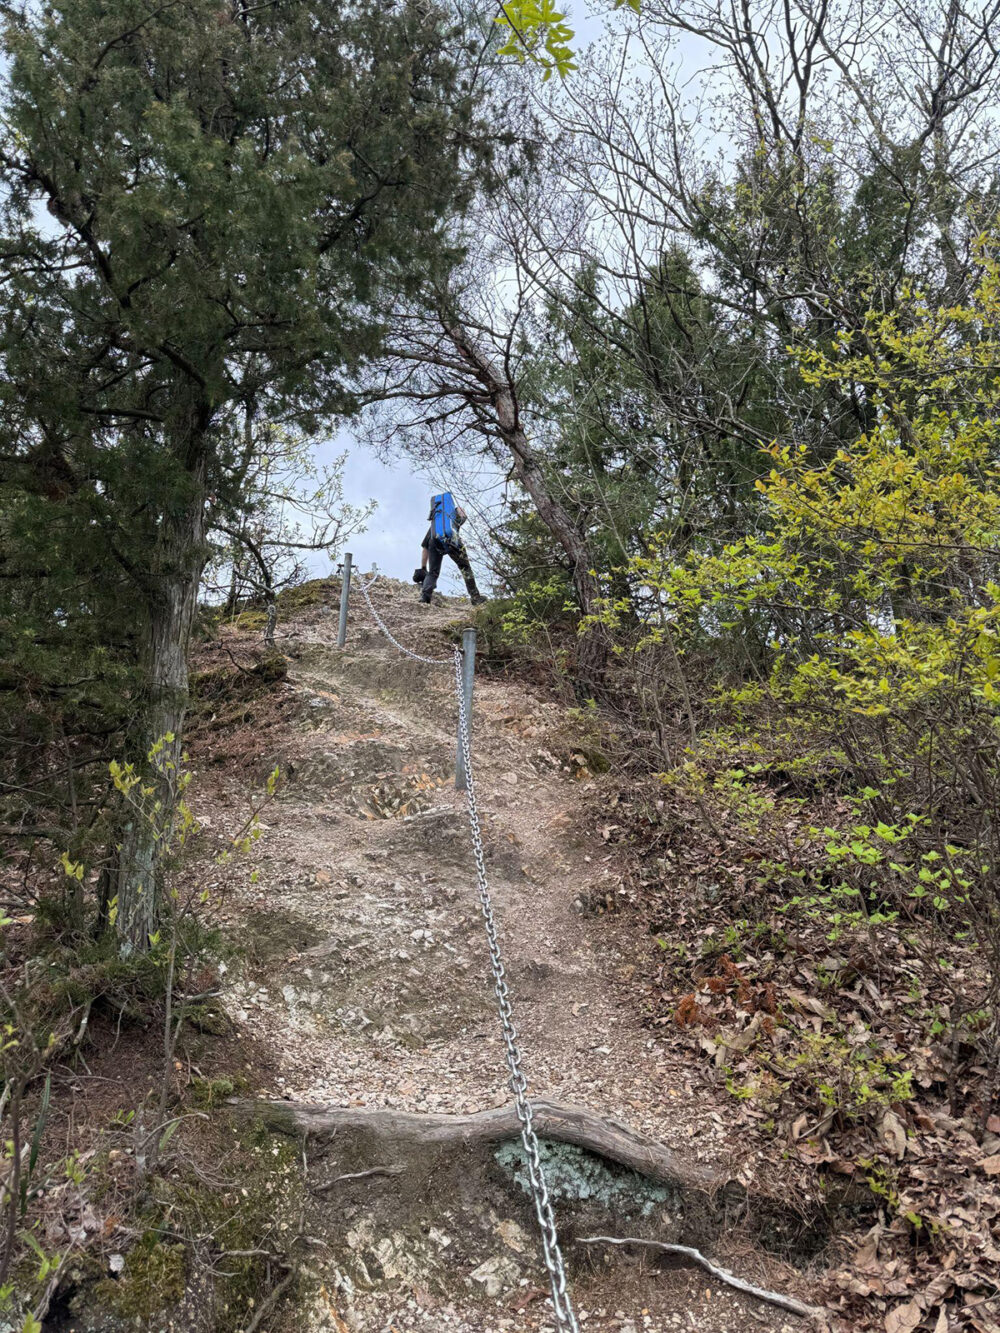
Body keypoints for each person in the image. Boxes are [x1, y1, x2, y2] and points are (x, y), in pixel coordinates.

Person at [413, 492, 486, 605]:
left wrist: (423, 567)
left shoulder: (434, 527)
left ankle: (425, 598)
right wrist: (458, 513)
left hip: (435, 542)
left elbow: (424, 549)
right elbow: (462, 514)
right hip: (453, 541)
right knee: (465, 568)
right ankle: (475, 598)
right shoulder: (450, 517)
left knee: (433, 572)